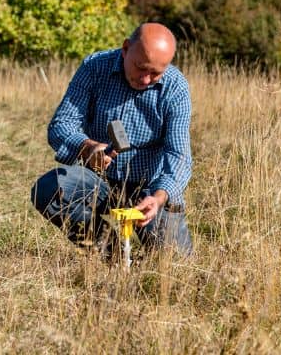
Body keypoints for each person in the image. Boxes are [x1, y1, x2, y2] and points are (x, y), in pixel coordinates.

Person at [31, 22, 193, 260]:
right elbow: (61, 125)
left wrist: (158, 198)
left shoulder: (175, 87)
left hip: (149, 188)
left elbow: (178, 155)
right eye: (141, 68)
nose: (147, 79)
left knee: (174, 263)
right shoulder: (95, 67)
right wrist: (86, 147)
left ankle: (152, 247)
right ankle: (111, 254)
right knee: (49, 189)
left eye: (156, 73)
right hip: (98, 181)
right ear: (126, 49)